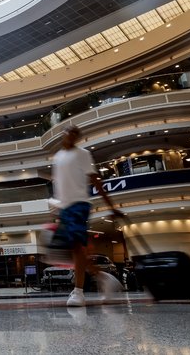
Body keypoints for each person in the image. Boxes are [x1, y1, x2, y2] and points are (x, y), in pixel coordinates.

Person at [51, 125, 123, 307]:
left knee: (76, 246)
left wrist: (111, 207)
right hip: (65, 208)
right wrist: (58, 208)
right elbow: (59, 184)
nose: (73, 136)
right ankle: (103, 278)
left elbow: (95, 181)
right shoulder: (58, 157)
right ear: (64, 134)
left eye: (76, 134)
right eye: (70, 132)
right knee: (73, 250)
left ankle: (78, 292)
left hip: (79, 204)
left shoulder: (83, 154)